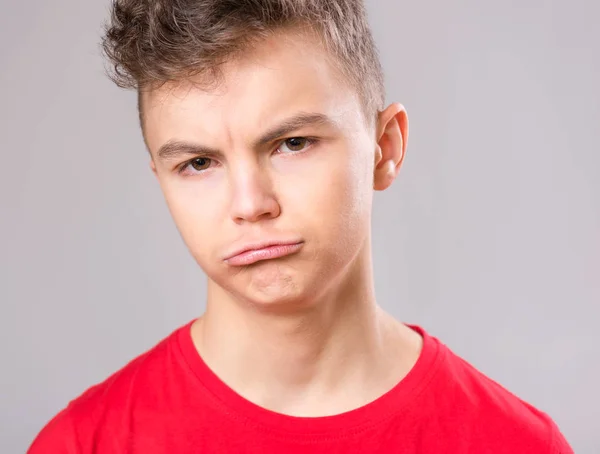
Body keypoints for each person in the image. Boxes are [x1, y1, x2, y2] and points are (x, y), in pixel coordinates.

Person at [28, 0, 573, 452]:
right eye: (198, 163)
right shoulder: (81, 445)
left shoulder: (515, 444)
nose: (250, 204)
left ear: (385, 148)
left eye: (292, 144)